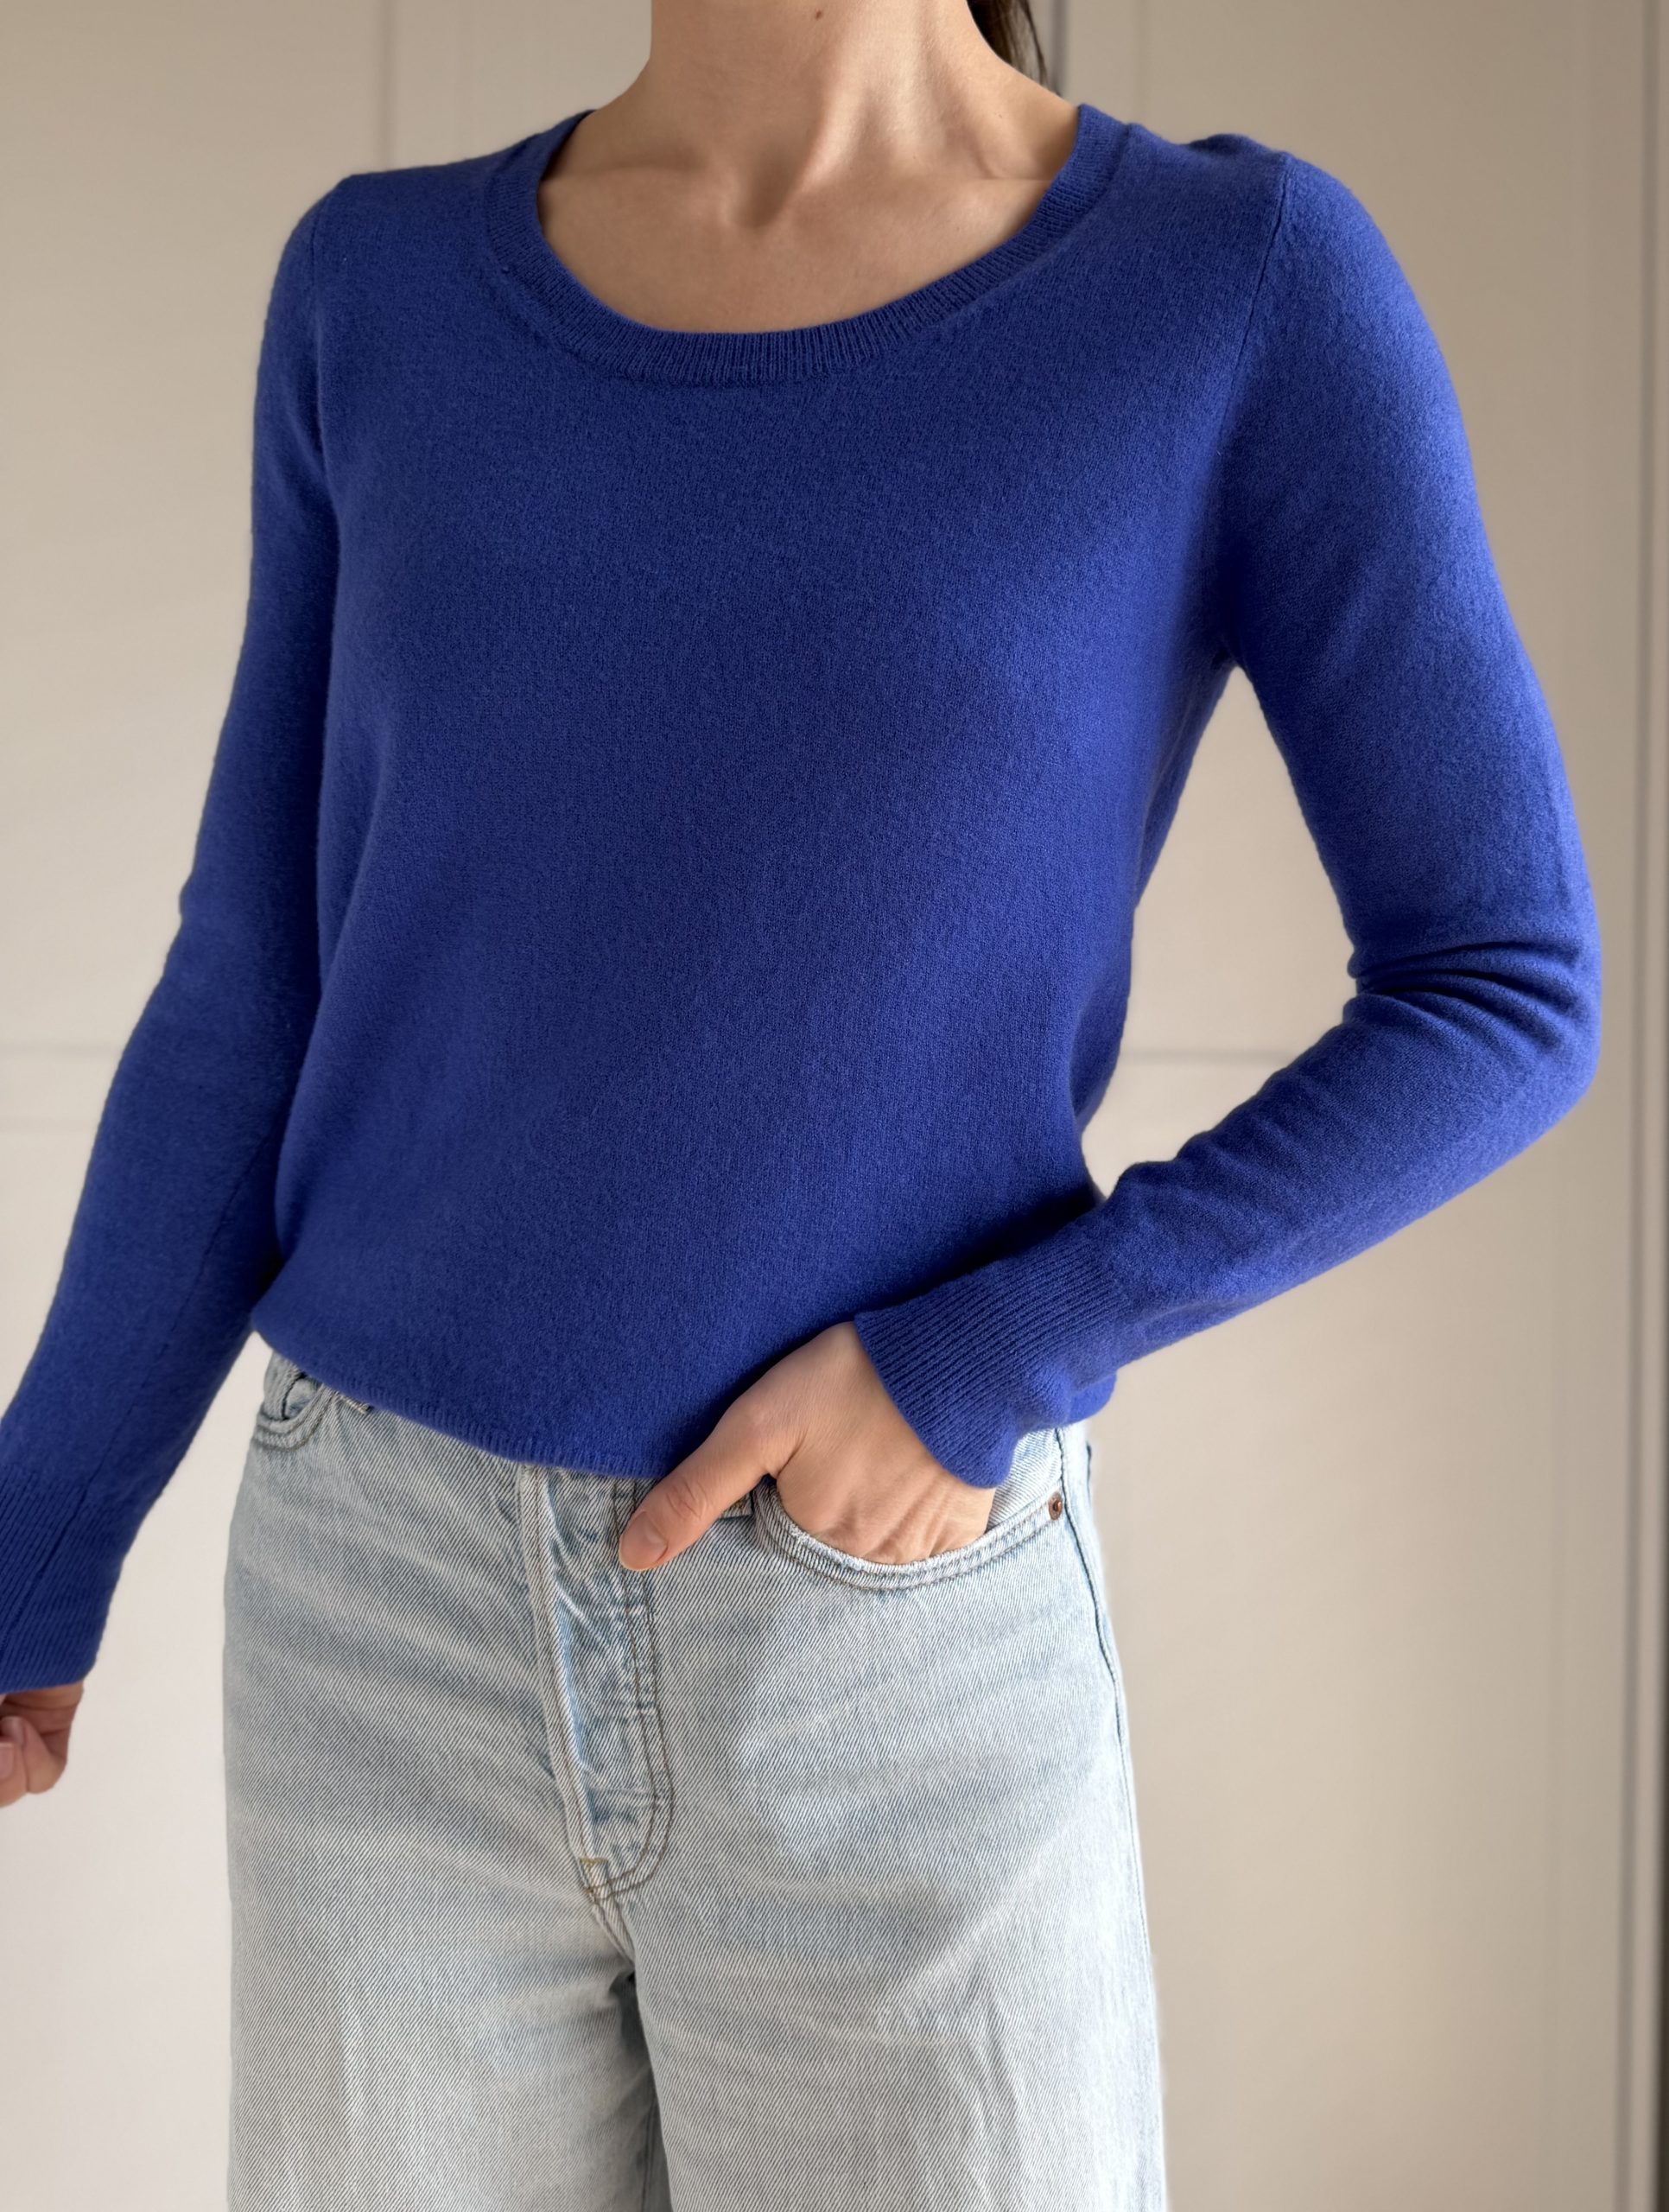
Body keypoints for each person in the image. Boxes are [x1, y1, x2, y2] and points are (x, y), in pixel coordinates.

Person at [0, 0, 1602, 2204]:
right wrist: (37, 1532)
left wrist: (995, 1348)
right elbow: (249, 988)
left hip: (888, 1641)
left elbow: (1503, 984)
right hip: (376, 1624)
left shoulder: (1234, 288)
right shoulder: (375, 290)